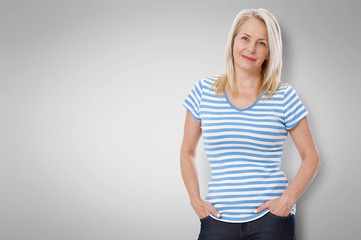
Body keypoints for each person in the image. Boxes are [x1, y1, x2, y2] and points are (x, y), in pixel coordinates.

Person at [180, 8, 320, 240]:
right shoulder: (202, 91)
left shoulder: (284, 95)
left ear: (269, 53)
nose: (251, 49)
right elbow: (187, 152)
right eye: (245, 38)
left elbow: (311, 158)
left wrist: (286, 201)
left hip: (271, 222)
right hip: (217, 219)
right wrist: (195, 201)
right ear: (233, 41)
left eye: (261, 43)